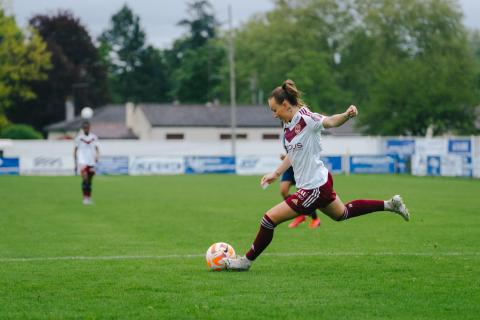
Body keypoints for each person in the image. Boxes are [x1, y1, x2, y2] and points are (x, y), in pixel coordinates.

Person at [224, 79, 410, 271]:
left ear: (286, 105)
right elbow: (293, 153)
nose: (273, 114)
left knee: (269, 219)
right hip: (320, 181)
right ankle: (390, 204)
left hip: (313, 187)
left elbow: (329, 121)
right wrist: (276, 172)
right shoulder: (287, 124)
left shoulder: (307, 118)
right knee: (342, 213)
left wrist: (347, 115)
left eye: (274, 109)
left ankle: (245, 262)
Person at [279, 154, 321, 229]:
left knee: (303, 196)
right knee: (283, 190)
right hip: (289, 168)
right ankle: (300, 216)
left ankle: (315, 219)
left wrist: (287, 157)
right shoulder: (284, 141)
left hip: (301, 168)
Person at [74, 121, 99, 205]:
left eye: (87, 127)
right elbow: (75, 150)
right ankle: (85, 198)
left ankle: (89, 198)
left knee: (90, 181)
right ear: (83, 128)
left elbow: (97, 148)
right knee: (85, 179)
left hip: (91, 161)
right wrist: (75, 162)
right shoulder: (79, 138)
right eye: (84, 127)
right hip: (82, 161)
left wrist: (97, 156)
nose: (86, 129)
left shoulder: (94, 137)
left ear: (90, 127)